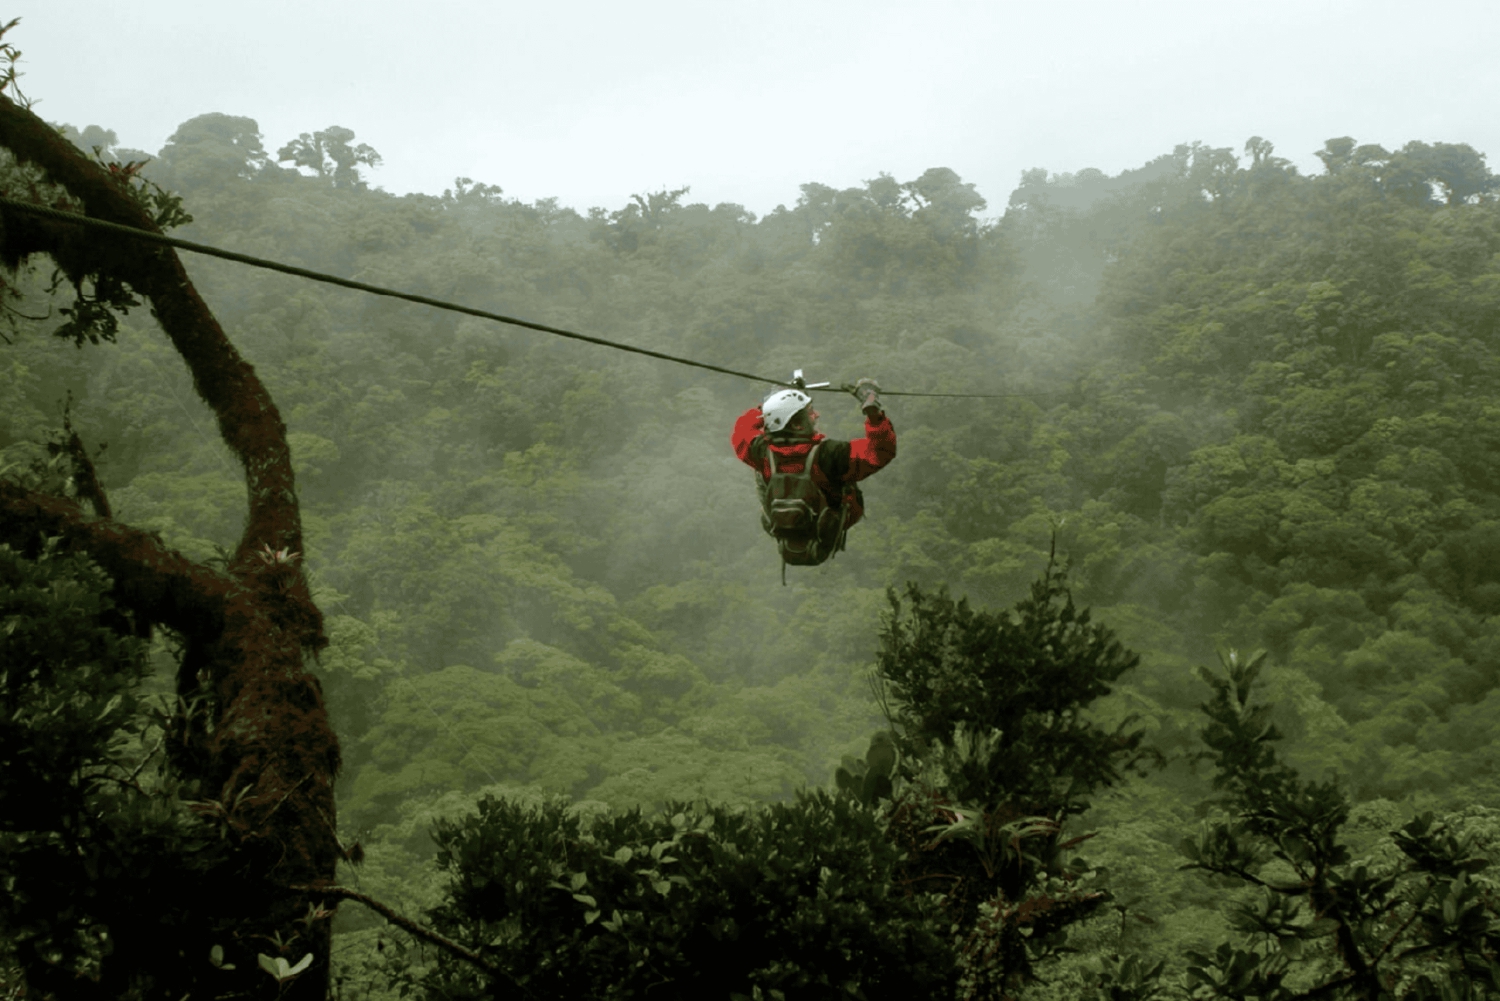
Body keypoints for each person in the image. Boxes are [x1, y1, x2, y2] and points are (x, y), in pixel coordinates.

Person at [731, 378, 896, 570]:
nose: (816, 415)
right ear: (798, 426)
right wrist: (873, 413)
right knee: (844, 475)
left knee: (760, 472)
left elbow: (742, 430)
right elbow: (880, 451)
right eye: (810, 413)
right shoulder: (831, 454)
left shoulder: (761, 451)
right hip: (827, 529)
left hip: (785, 529)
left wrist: (770, 404)